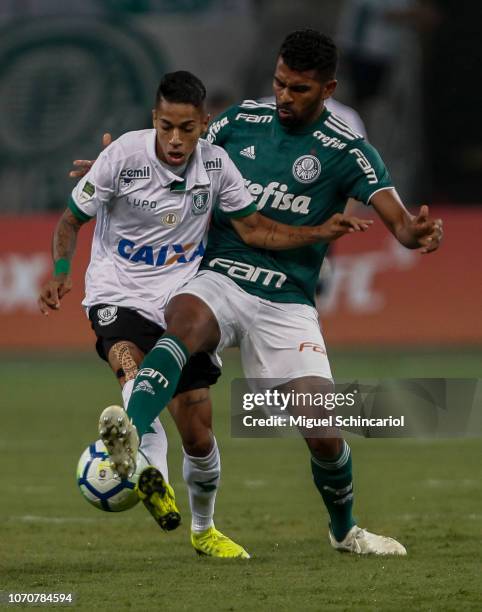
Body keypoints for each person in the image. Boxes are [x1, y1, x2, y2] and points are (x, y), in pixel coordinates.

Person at [106, 29, 443, 557]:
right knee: (185, 323)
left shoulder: (347, 152)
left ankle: (344, 530)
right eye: (280, 83)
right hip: (219, 275)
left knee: (324, 429)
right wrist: (117, 169)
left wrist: (415, 234)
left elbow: (398, 222)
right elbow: (175, 147)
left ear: (328, 88)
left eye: (300, 89)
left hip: (287, 301)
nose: (285, 96)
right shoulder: (241, 121)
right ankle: (128, 436)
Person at [39, 69, 371, 559]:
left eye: (187, 129)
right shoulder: (122, 157)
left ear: (204, 124)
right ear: (154, 119)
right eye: (166, 126)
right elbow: (70, 220)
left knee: (198, 430)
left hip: (181, 296)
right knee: (129, 360)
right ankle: (148, 468)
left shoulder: (216, 166)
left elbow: (256, 229)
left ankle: (203, 528)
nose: (175, 140)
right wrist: (62, 271)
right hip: (118, 293)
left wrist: (319, 232)